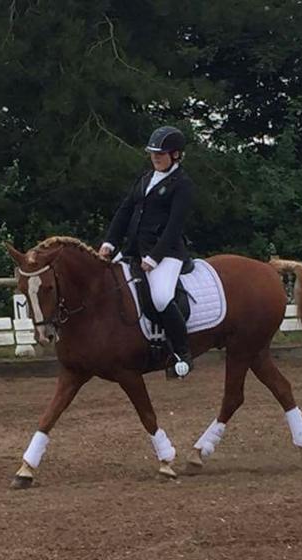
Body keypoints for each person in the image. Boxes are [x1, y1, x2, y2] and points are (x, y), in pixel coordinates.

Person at [99, 125, 195, 377]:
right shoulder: (144, 179)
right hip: (134, 251)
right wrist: (109, 243)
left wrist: (154, 257)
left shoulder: (182, 184)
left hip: (167, 254)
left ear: (175, 155)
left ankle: (181, 353)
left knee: (162, 297)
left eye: (161, 153)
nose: (155, 157)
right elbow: (124, 212)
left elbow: (174, 226)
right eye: (153, 153)